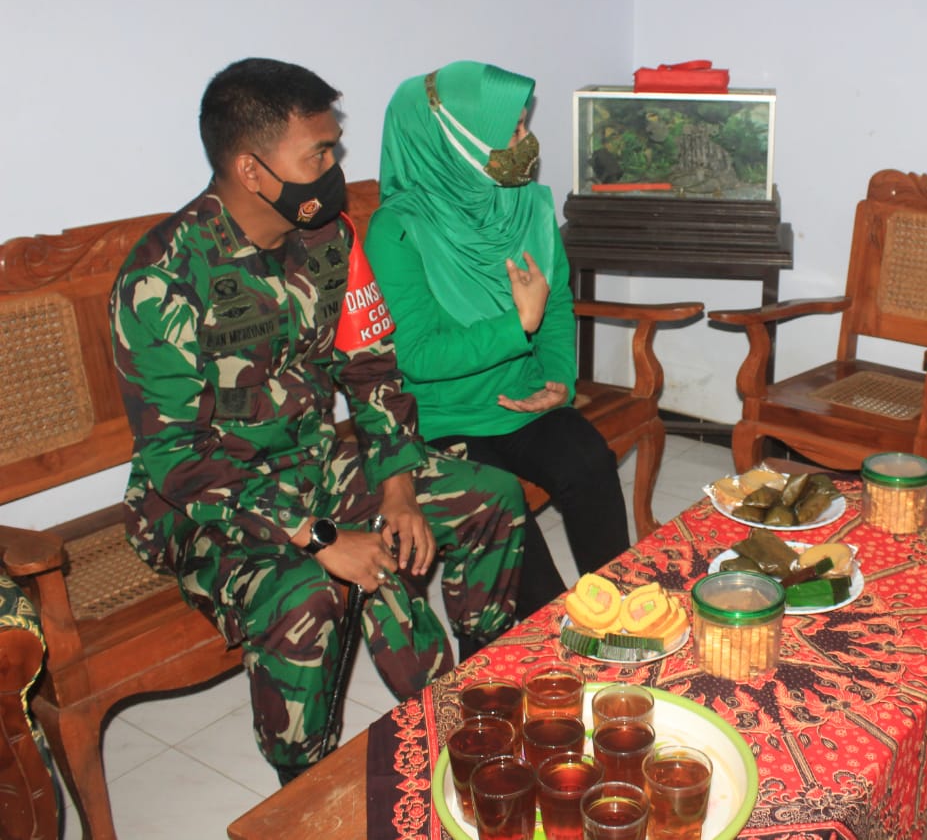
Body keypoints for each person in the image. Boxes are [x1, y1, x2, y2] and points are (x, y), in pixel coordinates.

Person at [110, 57, 528, 783]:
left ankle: (476, 701)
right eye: (320, 154)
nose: (335, 169)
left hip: (313, 463)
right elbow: (178, 459)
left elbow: (369, 370)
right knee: (304, 596)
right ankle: (299, 784)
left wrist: (397, 484)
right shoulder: (162, 277)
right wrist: (323, 538)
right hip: (204, 504)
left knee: (490, 496)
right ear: (252, 169)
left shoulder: (327, 239)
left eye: (334, 148)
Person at [365, 61, 631, 617]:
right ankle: (551, 635)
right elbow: (418, 355)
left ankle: (625, 607)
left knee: (589, 461)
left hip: (523, 397)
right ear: (457, 143)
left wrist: (557, 378)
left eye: (523, 125)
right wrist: (517, 325)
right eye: (511, 131)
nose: (525, 141)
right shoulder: (397, 230)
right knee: (511, 527)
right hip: (444, 418)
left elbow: (554, 302)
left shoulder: (523, 203)